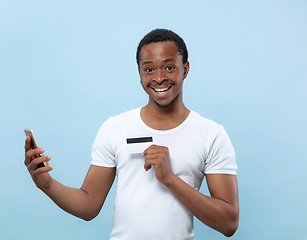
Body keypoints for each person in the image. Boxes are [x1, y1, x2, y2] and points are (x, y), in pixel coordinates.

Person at [24, 29, 239, 240]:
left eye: (169, 67)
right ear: (139, 72)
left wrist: (170, 179)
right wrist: (46, 183)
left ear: (186, 68)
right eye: (149, 69)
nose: (159, 78)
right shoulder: (115, 127)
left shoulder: (211, 135)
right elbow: (89, 205)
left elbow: (228, 223)